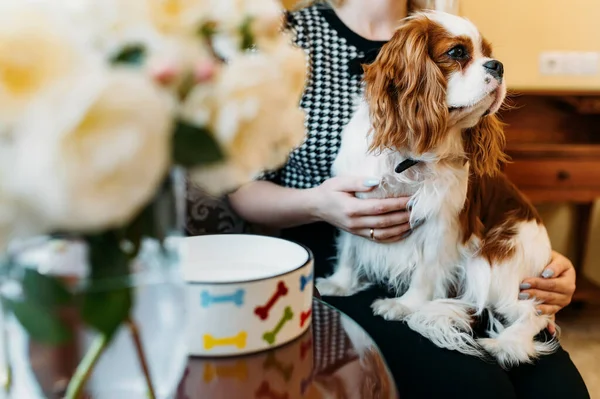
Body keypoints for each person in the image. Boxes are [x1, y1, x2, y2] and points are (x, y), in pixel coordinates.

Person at [229, 1, 590, 397]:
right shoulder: (282, 36)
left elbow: (471, 184)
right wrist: (319, 204)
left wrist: (538, 264)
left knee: (560, 389)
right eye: (460, 56)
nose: (483, 65)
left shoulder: (448, 24)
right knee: (473, 387)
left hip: (448, 254)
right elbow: (241, 188)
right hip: (329, 257)